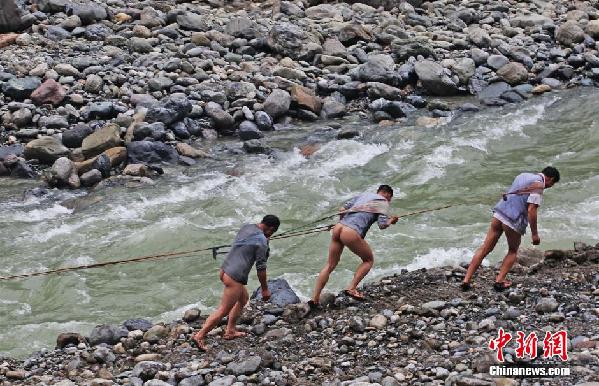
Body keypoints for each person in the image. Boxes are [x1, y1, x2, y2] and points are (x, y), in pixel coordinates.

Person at [461, 167, 560, 291]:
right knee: (513, 251)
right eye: (552, 184)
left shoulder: (523, 175)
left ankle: (466, 280)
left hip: (500, 213)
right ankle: (499, 281)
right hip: (513, 220)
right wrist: (535, 234)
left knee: (485, 248)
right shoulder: (539, 185)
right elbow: (531, 210)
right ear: (551, 179)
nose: (549, 186)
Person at [192, 215, 280, 351]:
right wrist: (265, 289)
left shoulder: (247, 227)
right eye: (272, 233)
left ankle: (230, 330)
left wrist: (265, 240)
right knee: (223, 310)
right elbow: (261, 268)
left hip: (225, 269)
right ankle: (200, 335)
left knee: (243, 299)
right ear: (271, 229)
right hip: (235, 276)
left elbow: (252, 243)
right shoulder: (262, 241)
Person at [310, 185, 399, 306]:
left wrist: (342, 222)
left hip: (338, 227)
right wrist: (391, 221)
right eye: (390, 199)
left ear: (378, 191)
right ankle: (351, 288)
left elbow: (342, 209)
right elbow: (382, 225)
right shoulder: (383, 202)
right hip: (350, 232)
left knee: (330, 264)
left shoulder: (363, 195)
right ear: (388, 196)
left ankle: (314, 299)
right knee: (368, 260)